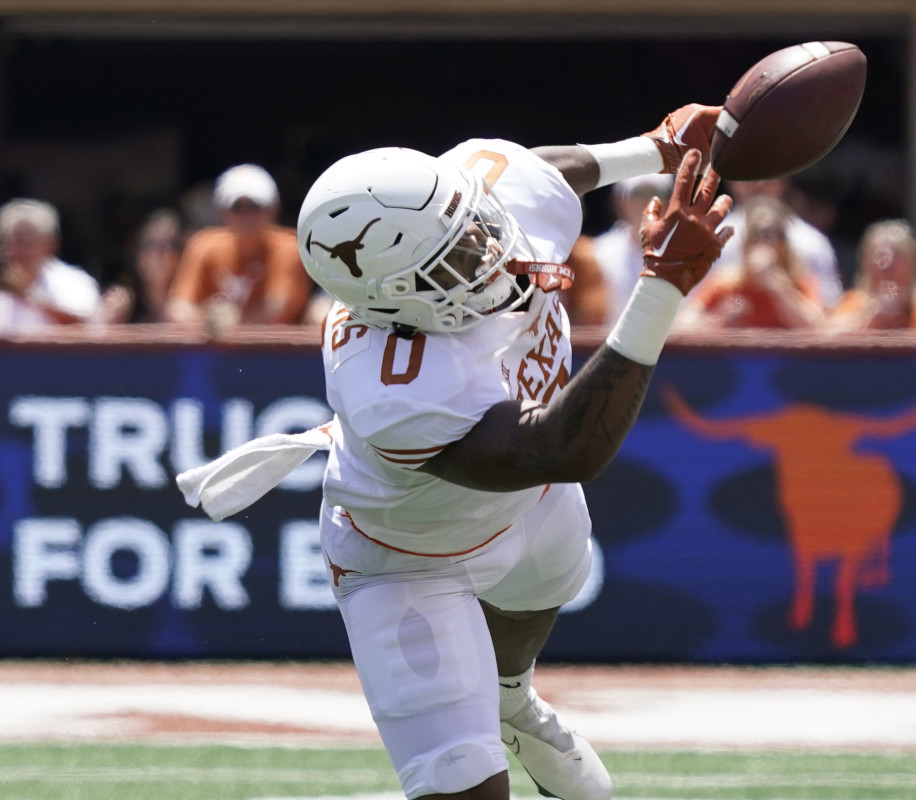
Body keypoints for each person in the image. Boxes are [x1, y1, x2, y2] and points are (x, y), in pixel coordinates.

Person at [176, 104, 732, 800]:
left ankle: (511, 697)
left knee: (555, 576)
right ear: (394, 298)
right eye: (458, 255)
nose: (489, 247)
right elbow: (565, 449)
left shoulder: (465, 211)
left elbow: (541, 171)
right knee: (464, 788)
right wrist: (661, 288)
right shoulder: (394, 385)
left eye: (474, 223)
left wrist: (657, 147)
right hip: (410, 561)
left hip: (532, 506)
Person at [165, 163, 311, 331]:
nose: (246, 216)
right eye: (237, 207)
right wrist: (214, 320)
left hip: (273, 352)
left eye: (255, 207)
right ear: (223, 212)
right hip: (215, 354)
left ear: (273, 210)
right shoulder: (203, 245)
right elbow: (177, 308)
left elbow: (278, 309)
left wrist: (227, 321)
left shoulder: (288, 248)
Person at [676, 195, 823, 329]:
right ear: (746, 245)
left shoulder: (799, 284)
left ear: (786, 245)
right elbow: (683, 325)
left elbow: (817, 327)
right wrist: (718, 319)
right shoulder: (726, 285)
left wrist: (777, 288)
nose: (767, 242)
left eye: (776, 235)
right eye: (760, 233)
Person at [710, 177, 842, 308]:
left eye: (769, 174)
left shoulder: (813, 243)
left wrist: (778, 287)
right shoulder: (710, 237)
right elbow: (692, 306)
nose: (759, 182)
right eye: (750, 171)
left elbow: (829, 308)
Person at [827, 219, 916, 331]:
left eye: (896, 254)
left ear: (912, 261)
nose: (887, 262)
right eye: (879, 254)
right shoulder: (855, 303)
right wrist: (871, 320)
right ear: (866, 262)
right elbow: (828, 335)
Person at [0, 198, 101, 332]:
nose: (19, 250)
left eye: (27, 241)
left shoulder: (75, 282)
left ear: (50, 243)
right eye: (12, 240)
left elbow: (87, 326)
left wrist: (30, 298)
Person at [590, 173, 675, 325]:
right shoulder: (597, 254)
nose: (649, 203)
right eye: (639, 193)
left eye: (657, 194)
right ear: (621, 202)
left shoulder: (690, 254)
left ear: (670, 203)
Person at [96, 209, 184, 324]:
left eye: (171, 244)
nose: (160, 253)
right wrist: (109, 320)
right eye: (150, 244)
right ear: (137, 256)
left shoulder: (193, 302)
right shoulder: (122, 304)